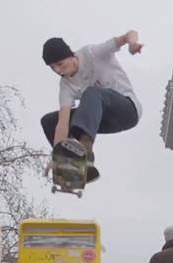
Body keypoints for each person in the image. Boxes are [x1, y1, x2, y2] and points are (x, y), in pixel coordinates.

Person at [40, 32, 143, 183]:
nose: (58, 71)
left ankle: (86, 153)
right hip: (102, 119)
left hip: (128, 110)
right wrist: (57, 156)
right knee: (49, 121)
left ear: (70, 55)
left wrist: (133, 44)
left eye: (60, 64)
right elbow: (62, 123)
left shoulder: (93, 53)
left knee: (92, 93)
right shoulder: (65, 86)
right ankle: (72, 167)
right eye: (53, 68)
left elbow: (128, 35)